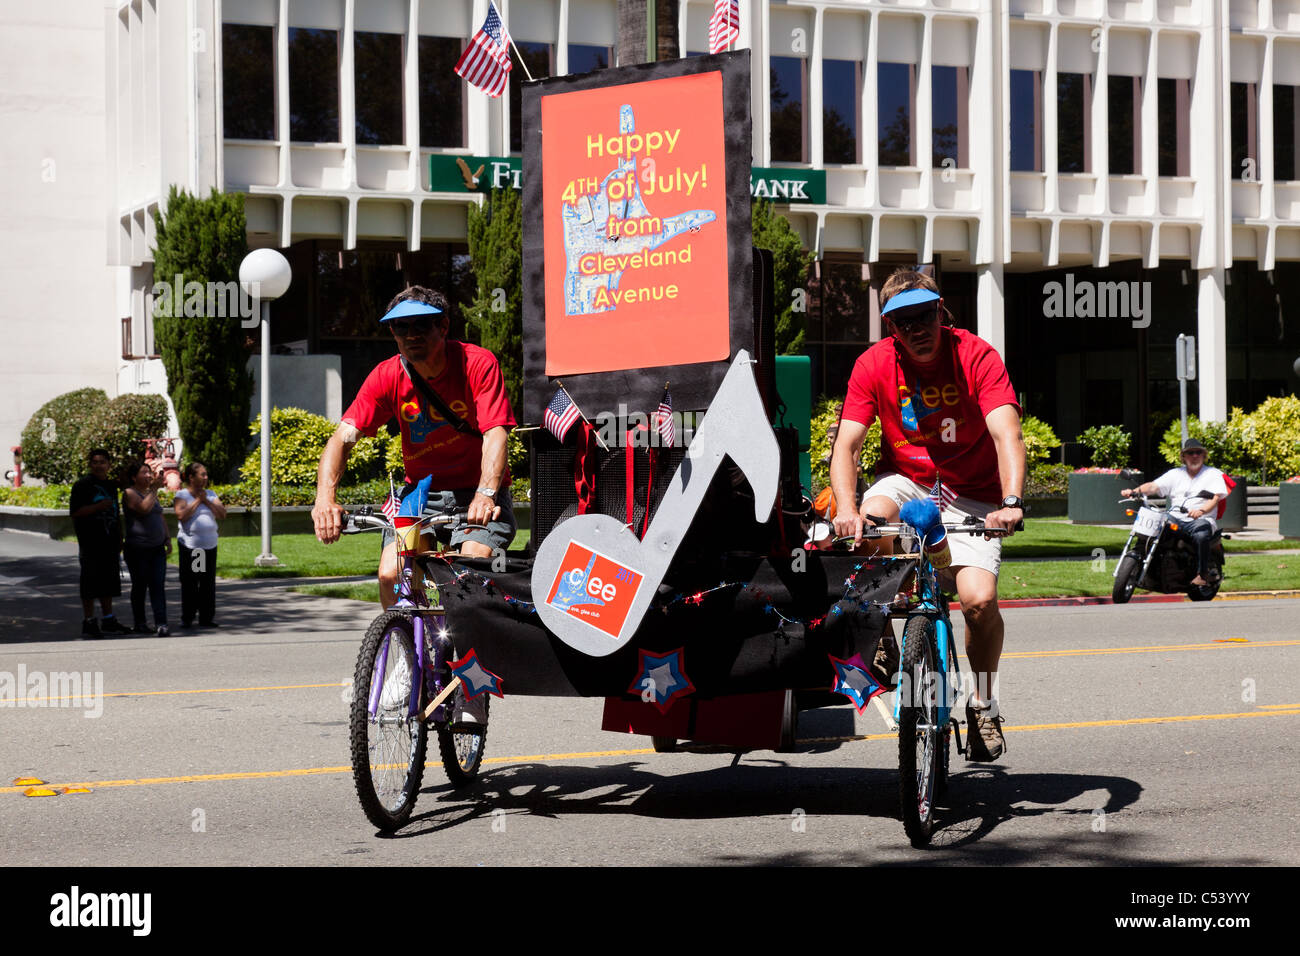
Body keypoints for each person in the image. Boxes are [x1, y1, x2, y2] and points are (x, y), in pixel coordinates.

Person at [830, 269, 1026, 762]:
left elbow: (1007, 434)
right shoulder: (873, 364)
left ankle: (982, 706)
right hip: (909, 481)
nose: (916, 328)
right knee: (873, 517)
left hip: (973, 491)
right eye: (902, 321)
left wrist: (1011, 502)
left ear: (941, 312)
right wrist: (848, 510)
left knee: (979, 603)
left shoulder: (976, 355)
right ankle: (880, 627)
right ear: (890, 328)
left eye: (924, 315)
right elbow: (847, 445)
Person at [312, 285, 516, 728]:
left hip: (476, 495)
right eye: (399, 329)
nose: (410, 336)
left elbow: (496, 432)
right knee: (390, 573)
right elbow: (342, 437)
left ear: (443, 326)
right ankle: (406, 657)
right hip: (419, 493)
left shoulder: (477, 363)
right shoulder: (388, 375)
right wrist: (324, 498)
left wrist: (485, 493)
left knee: (467, 570)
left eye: (420, 325)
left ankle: (470, 687)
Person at [1121, 437, 1228, 587]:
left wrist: (1201, 510)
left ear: (1204, 455)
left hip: (1201, 519)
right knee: (1156, 525)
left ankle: (1202, 573)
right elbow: (1153, 486)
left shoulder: (1213, 474)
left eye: (1198, 452)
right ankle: (1146, 561)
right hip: (1175, 516)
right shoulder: (1175, 473)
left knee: (1201, 535)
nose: (1195, 456)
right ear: (1183, 457)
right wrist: (1134, 491)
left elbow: (1215, 498)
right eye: (1190, 453)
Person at [69, 448, 129, 638]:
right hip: (90, 542)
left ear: (108, 465)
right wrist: (97, 507)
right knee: (89, 583)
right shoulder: (81, 486)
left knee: (108, 582)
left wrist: (120, 537)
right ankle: (89, 621)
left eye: (102, 462)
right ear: (90, 464)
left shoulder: (111, 486)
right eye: (95, 462)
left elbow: (116, 513)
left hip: (109, 541)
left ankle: (108, 619)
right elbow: (75, 512)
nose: (98, 465)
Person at [121, 460, 172, 636]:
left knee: (158, 585)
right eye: (144, 472)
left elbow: (159, 515)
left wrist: (167, 537)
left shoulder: (150, 493)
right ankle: (140, 622)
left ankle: (161, 623)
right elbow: (143, 509)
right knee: (140, 586)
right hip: (138, 549)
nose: (149, 475)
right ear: (134, 477)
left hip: (157, 548)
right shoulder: (129, 493)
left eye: (149, 472)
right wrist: (155, 489)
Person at [174, 461, 225, 627]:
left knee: (207, 582)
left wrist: (206, 501)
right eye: (202, 474)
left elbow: (222, 513)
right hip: (194, 547)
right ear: (191, 477)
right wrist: (197, 501)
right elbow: (181, 516)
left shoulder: (210, 494)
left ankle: (206, 617)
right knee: (192, 582)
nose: (206, 477)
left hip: (209, 544)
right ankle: (188, 616)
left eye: (206, 474)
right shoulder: (182, 495)